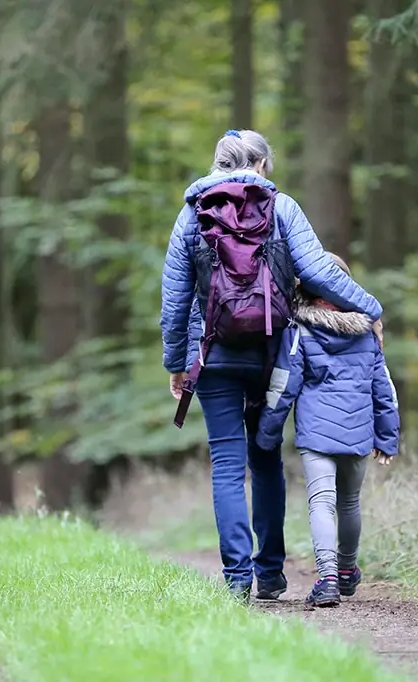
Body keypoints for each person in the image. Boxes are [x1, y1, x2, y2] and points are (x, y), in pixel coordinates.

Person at [161, 129, 383, 601]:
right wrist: (371, 308)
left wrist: (177, 362)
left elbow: (175, 300)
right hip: (272, 353)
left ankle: (237, 579)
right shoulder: (282, 208)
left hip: (214, 353)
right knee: (265, 458)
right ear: (261, 164)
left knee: (225, 463)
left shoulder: (191, 214)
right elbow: (320, 271)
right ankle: (271, 573)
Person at [256, 254, 400, 608]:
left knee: (322, 503)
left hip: (317, 435)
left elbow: (283, 385)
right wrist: (387, 437)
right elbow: (384, 389)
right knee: (349, 502)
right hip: (358, 432)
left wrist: (267, 434)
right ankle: (348, 570)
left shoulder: (300, 331)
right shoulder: (367, 333)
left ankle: (328, 578)